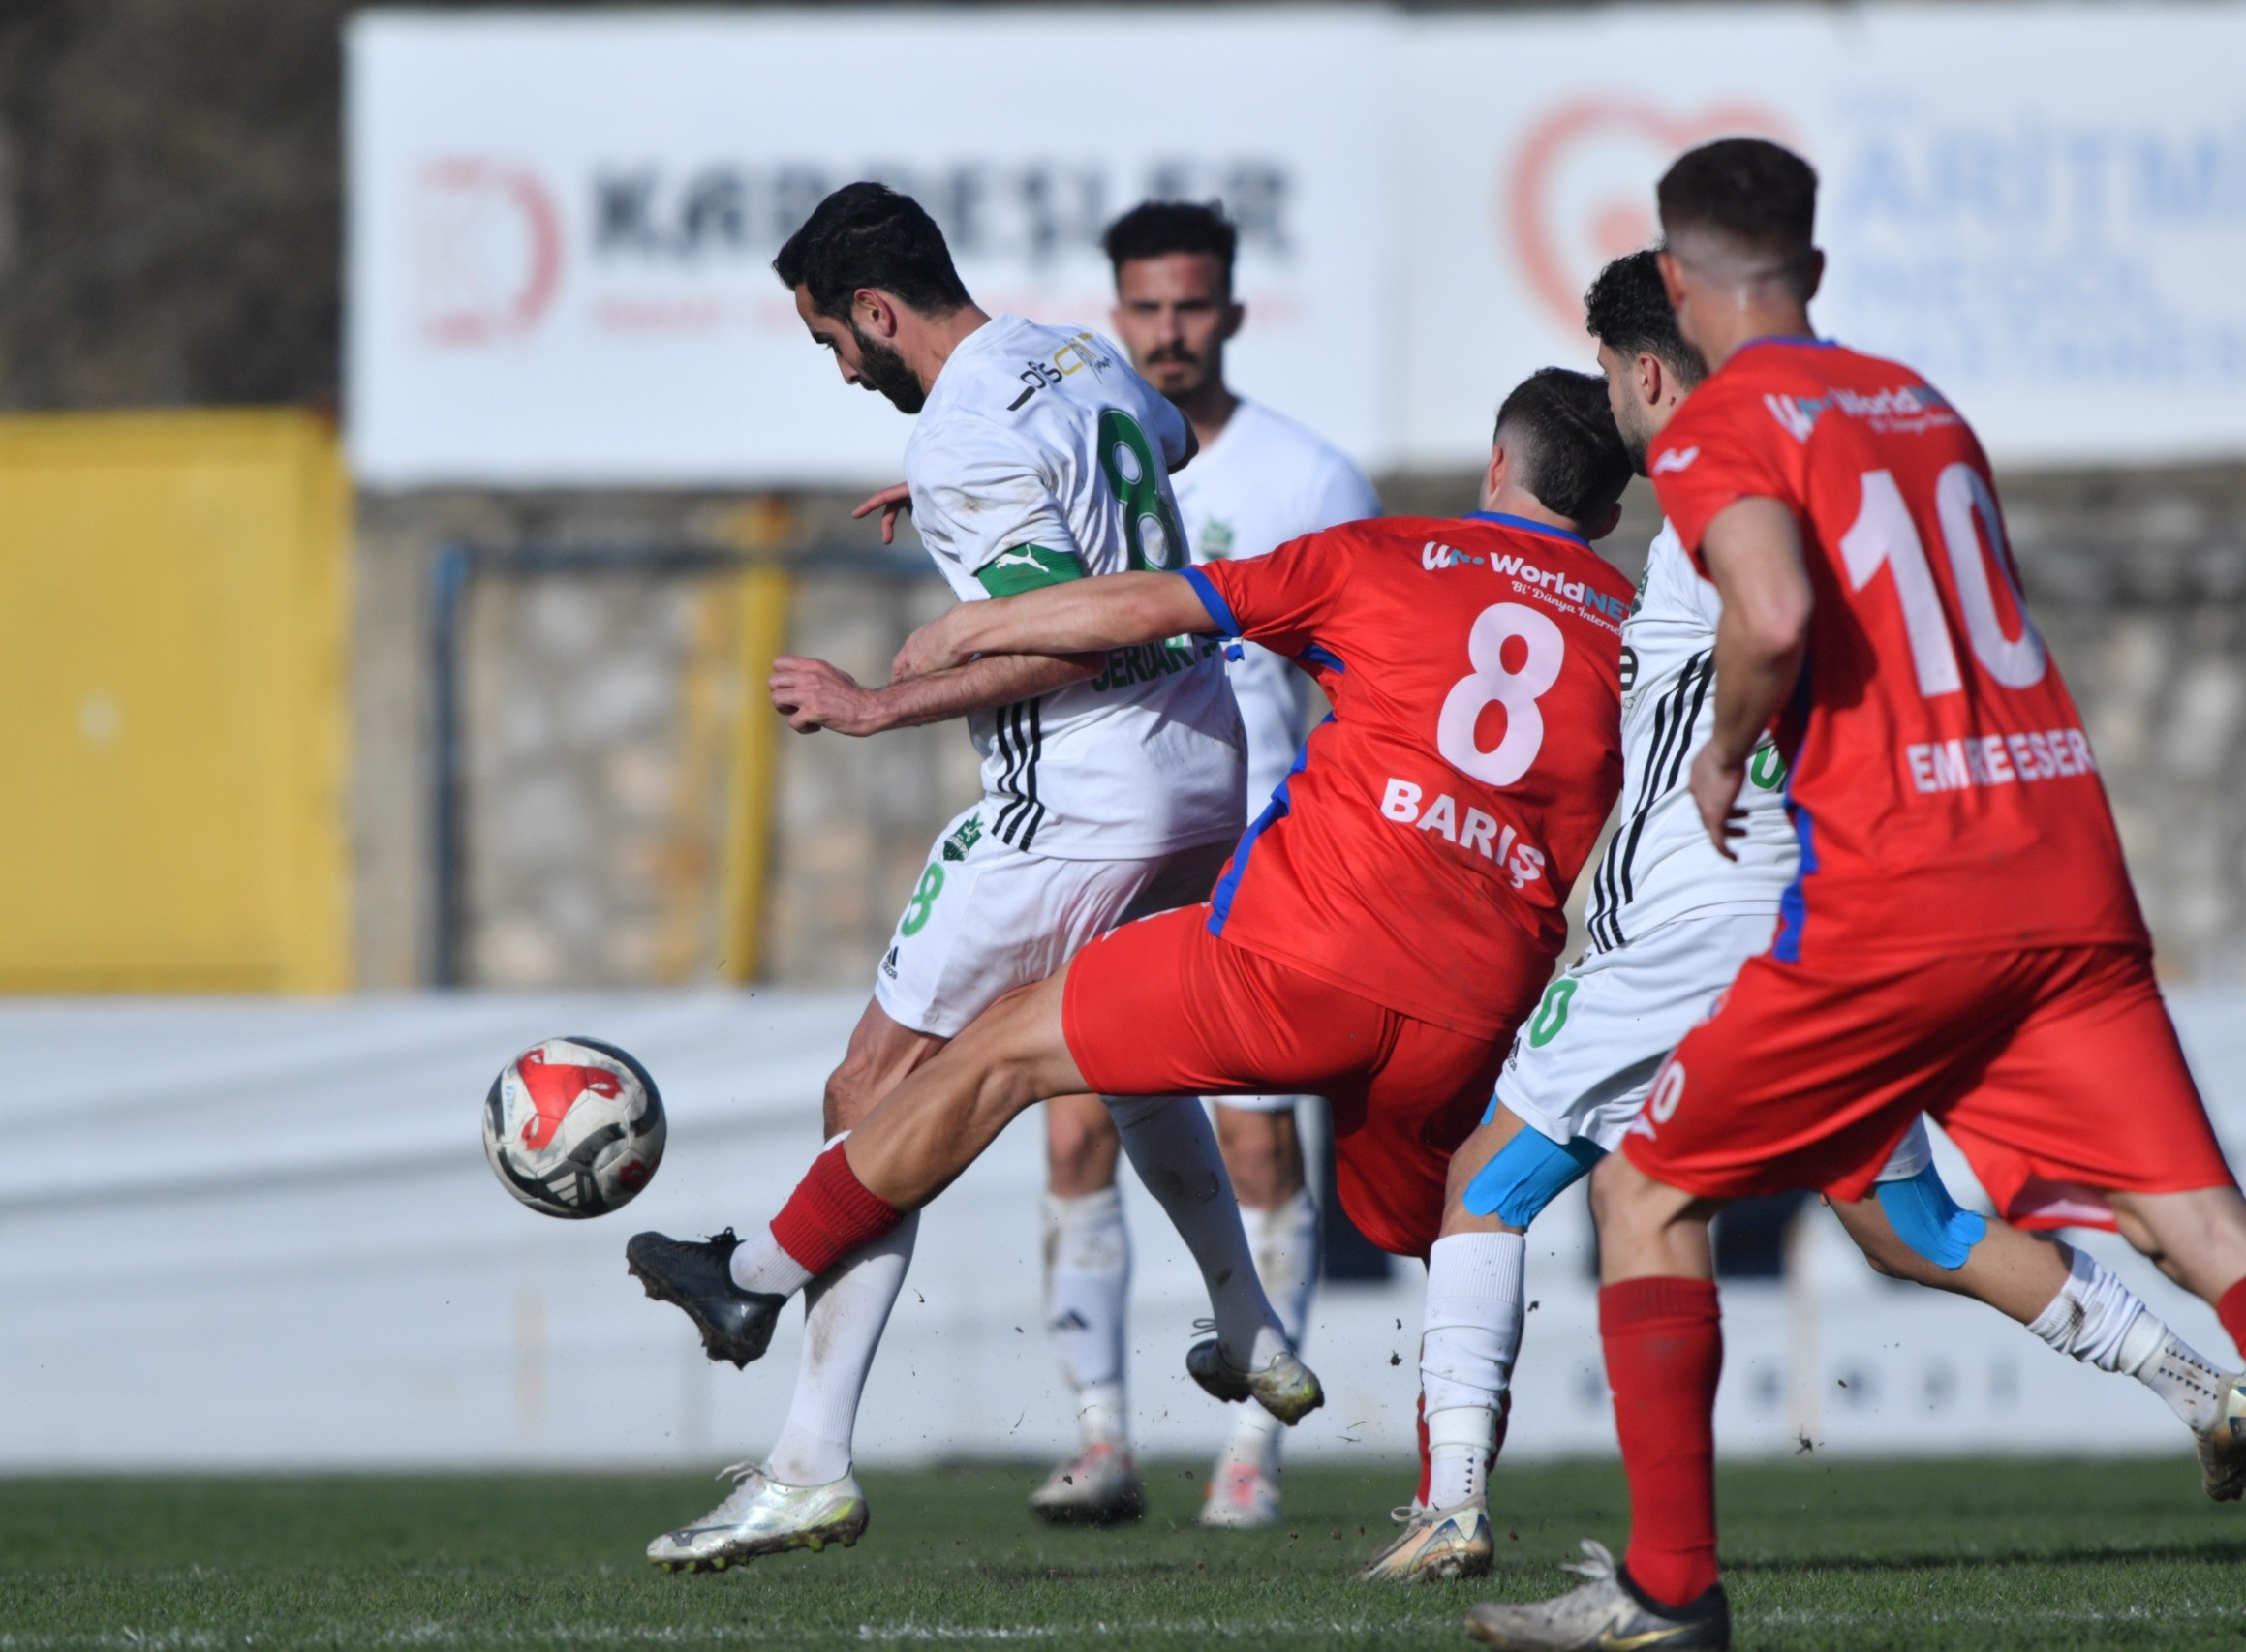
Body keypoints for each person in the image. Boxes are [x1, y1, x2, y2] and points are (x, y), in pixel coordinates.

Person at [1466, 140, 2246, 1652]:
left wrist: (1728, 748)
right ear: (1818, 270)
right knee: (2202, 1222)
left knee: (1646, 1188)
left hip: (1905, 887)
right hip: (2065, 858)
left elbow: (1776, 609)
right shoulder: (1919, 403)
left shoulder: (1724, 420)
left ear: (1674, 284)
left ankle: (1670, 1595)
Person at [1359, 252, 2246, 1588]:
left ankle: (1454, 1502)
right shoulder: (1835, 492)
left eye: (1621, 379)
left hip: (1684, 910)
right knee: (1909, 1225)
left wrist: (1708, 752)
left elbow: (1757, 626)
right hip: (1809, 921)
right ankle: (2198, 1383)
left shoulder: (1706, 496)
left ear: (1649, 371)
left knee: (1490, 1184)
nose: (1618, 413)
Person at [625, 372, 1643, 1547]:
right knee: (1464, 1218)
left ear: (1492, 469)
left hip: (1297, 963)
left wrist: (979, 618)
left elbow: (1153, 604)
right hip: (1472, 1007)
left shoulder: (1387, 553)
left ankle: (753, 1269)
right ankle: (1449, 1496)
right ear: (1609, 515)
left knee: (999, 1047)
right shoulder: (1639, 621)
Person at [624, 181, 1297, 1574]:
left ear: (875, 310)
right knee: (1122, 1050)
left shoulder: (963, 435)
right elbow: (1153, 451)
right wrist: (994, 517)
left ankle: (806, 1457)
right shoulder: (1074, 354)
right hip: (1204, 769)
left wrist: (876, 700)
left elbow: (1065, 644)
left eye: (835, 343)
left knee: (873, 1092)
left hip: (1084, 792)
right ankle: (1247, 1322)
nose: (846, 369)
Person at [1031, 200, 1382, 1532]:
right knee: (1070, 1118)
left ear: (1231, 311)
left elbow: (1361, 690)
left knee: (1256, 1142)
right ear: (1116, 313)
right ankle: (1100, 1436)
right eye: (1145, 309)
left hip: (1254, 858)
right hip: (1106, 841)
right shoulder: (1076, 459)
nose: (1168, 332)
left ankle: (1251, 1454)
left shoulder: (1308, 479)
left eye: (1191, 307)